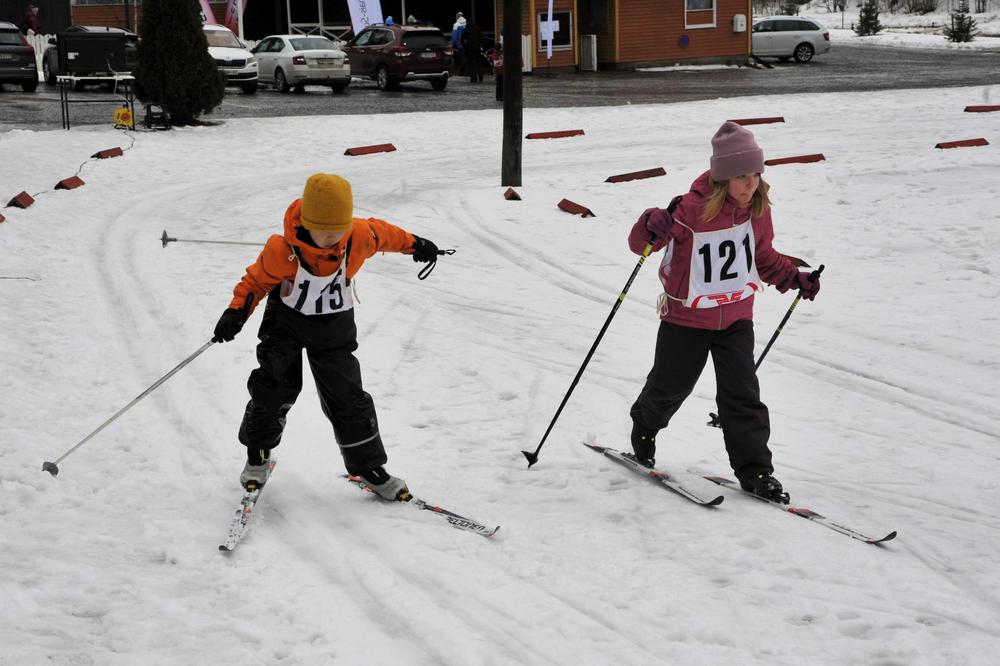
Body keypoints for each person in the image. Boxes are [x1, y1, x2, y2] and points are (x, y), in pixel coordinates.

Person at [212, 173, 443, 500]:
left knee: (347, 395)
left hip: (334, 326)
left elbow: (386, 234)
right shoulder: (281, 249)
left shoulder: (358, 235)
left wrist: (416, 244)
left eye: (339, 231)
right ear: (308, 224)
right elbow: (255, 283)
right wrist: (236, 312)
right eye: (325, 232)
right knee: (274, 387)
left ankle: (369, 467)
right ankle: (258, 454)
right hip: (285, 324)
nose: (333, 238)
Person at [625, 121, 820, 503]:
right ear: (722, 177)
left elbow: (762, 258)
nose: (750, 184)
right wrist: (650, 223)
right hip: (687, 319)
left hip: (736, 318)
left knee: (742, 395)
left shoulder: (757, 211)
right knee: (671, 387)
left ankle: (756, 470)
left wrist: (794, 278)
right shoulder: (689, 209)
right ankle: (645, 425)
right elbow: (642, 244)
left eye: (756, 175)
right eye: (741, 177)